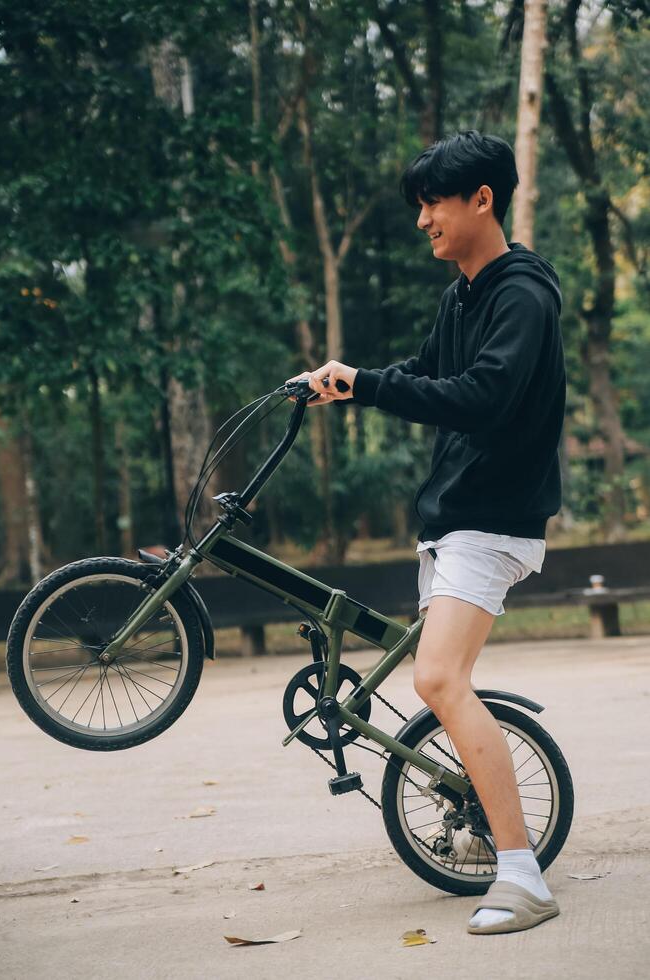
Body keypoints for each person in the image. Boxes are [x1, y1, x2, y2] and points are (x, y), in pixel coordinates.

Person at [286, 129, 566, 935]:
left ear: (482, 199)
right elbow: (424, 374)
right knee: (443, 683)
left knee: (439, 680)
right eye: (420, 206)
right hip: (454, 519)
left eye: (434, 203)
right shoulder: (464, 295)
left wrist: (370, 386)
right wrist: (344, 382)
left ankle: (524, 879)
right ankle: (494, 830)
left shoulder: (523, 294)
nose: (423, 221)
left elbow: (481, 397)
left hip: (494, 519)